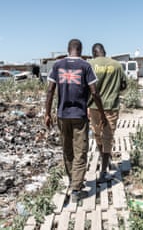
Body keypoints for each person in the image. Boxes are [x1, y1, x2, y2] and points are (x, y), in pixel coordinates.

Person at [44, 39, 107, 203]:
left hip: (62, 115)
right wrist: (101, 113)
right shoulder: (85, 66)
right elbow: (94, 92)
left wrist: (47, 113)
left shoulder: (57, 65)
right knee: (80, 151)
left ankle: (74, 181)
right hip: (79, 115)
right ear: (80, 50)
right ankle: (76, 189)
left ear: (68, 49)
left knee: (67, 150)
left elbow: (50, 90)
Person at [88, 43, 127, 183]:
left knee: (98, 135)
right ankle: (104, 171)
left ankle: (104, 161)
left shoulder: (90, 64)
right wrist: (113, 90)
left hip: (93, 107)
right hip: (111, 106)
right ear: (104, 52)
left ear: (93, 53)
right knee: (108, 137)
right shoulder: (116, 65)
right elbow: (124, 85)